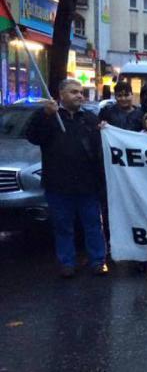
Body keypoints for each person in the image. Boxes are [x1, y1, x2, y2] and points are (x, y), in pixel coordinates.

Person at [26, 79, 107, 277]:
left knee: (93, 226)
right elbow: (32, 136)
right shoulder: (48, 116)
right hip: (59, 185)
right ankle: (67, 263)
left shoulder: (89, 118)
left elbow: (100, 148)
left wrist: (106, 131)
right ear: (61, 95)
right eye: (73, 92)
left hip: (87, 185)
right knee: (63, 227)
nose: (79, 95)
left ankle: (98, 261)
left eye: (80, 92)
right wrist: (44, 116)